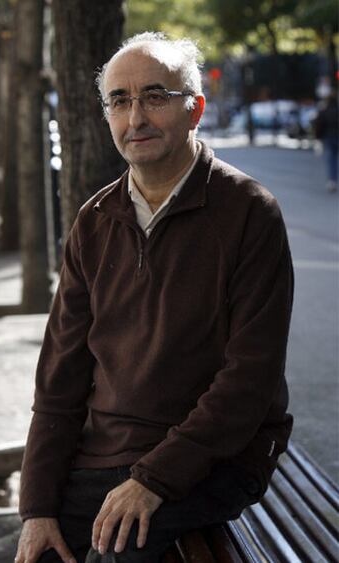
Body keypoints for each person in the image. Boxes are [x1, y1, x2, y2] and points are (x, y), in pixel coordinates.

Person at [15, 32, 294, 563]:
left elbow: (249, 382)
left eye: (155, 96)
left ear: (195, 109)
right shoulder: (94, 221)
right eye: (120, 100)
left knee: (119, 554)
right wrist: (36, 507)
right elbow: (60, 380)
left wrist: (153, 479)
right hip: (104, 455)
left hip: (216, 457)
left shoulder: (249, 213)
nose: (135, 116)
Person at [314, 93, 339, 192]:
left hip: (329, 137)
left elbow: (319, 125)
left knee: (332, 160)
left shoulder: (324, 111)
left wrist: (318, 137)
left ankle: (332, 181)